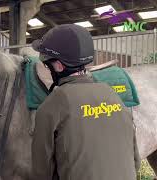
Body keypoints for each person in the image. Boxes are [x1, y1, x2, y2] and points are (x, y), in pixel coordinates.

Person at [31, 24, 140, 180]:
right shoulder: (113, 94)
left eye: (46, 63)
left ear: (59, 66)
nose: (45, 67)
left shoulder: (50, 107)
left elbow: (42, 174)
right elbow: (135, 162)